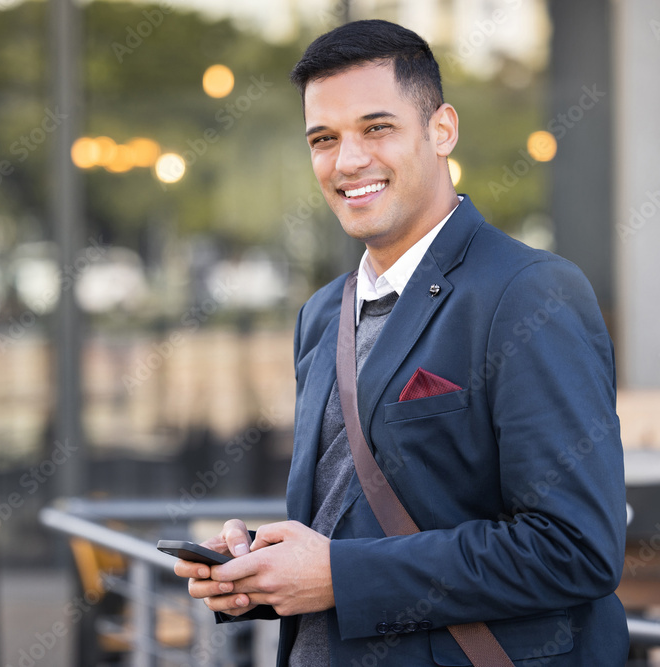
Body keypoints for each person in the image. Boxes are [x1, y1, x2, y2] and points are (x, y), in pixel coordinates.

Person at [174, 19, 628, 666]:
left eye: (376, 128)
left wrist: (339, 572)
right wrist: (260, 575)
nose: (348, 160)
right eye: (324, 139)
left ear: (442, 129)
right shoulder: (322, 314)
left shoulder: (529, 293)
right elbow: (351, 521)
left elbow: (575, 548)